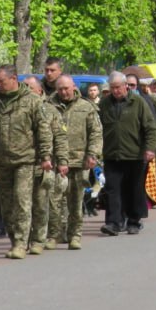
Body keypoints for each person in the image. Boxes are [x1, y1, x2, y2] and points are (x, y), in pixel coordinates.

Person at [0, 64, 52, 259]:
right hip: (2, 160)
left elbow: (43, 130)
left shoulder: (31, 101)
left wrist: (45, 156)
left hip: (25, 159)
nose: (0, 85)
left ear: (14, 79)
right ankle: (15, 241)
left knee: (22, 201)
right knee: (6, 205)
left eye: (2, 82)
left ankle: (22, 243)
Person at [98, 71, 156, 236]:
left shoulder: (138, 102)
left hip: (134, 155)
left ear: (125, 86)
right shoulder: (104, 104)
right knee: (112, 189)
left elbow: (150, 127)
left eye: (118, 87)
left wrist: (150, 148)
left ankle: (134, 221)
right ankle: (113, 223)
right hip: (112, 154)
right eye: (112, 88)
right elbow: (97, 127)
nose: (115, 91)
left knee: (134, 189)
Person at [54, 74, 101, 250]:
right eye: (60, 89)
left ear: (73, 87)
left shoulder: (86, 107)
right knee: (56, 199)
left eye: (66, 88)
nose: (63, 92)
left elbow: (96, 133)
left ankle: (75, 235)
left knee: (75, 200)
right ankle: (57, 233)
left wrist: (92, 154)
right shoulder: (50, 106)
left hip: (79, 160)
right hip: (57, 161)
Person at [29, 78, 70, 255]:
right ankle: (29, 237)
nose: (27, 91)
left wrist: (62, 161)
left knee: (47, 202)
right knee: (24, 203)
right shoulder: (20, 109)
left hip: (45, 164)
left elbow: (60, 138)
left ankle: (51, 235)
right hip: (23, 162)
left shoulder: (50, 110)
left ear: (39, 91)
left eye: (30, 88)